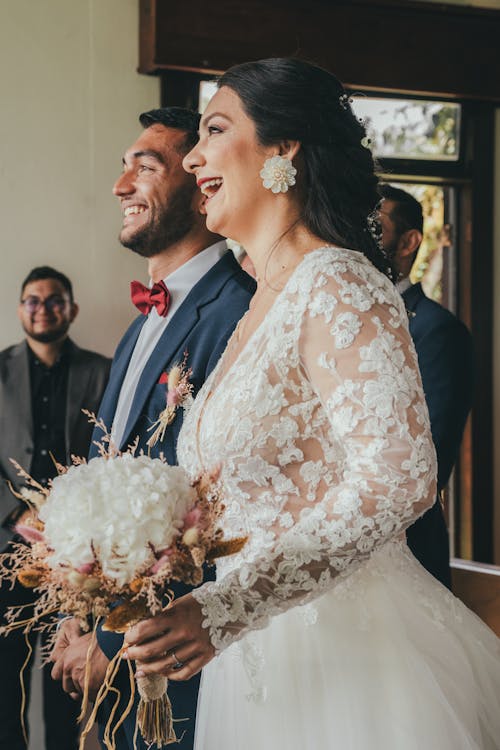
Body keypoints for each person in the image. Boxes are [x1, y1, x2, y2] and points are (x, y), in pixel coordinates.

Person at [123, 59, 500, 750]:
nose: (197, 155)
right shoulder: (258, 302)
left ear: (283, 145)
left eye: (213, 129)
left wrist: (234, 605)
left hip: (348, 656)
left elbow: (401, 479)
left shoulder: (338, 282)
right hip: (251, 661)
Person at [50, 107, 256, 750]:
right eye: (124, 167)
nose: (121, 186)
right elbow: (106, 477)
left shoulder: (240, 312)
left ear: (202, 186)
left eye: (147, 166)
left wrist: (114, 642)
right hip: (117, 639)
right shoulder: (141, 324)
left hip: (181, 657)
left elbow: (218, 509)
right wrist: (77, 614)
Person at [0, 266, 110, 750]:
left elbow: (111, 453)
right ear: (21, 308)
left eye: (53, 300)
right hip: (7, 551)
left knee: (65, 676)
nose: (42, 308)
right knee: (5, 684)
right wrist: (15, 513)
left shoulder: (101, 371)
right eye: (32, 300)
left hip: (73, 558)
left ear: (72, 309)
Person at [378, 184, 474, 588]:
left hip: (403, 557)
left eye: (374, 226)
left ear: (409, 241)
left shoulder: (438, 331)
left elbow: (429, 460)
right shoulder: (332, 322)